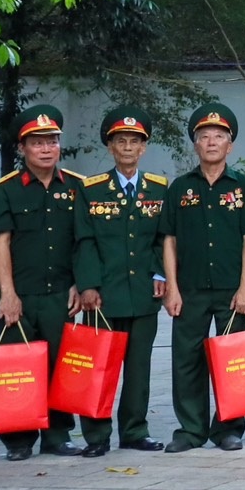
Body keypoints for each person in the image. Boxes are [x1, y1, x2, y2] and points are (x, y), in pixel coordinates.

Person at [0, 104, 87, 461]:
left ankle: (58, 435)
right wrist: (6, 294)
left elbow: (82, 242)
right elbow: (0, 244)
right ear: (22, 148)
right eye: (37, 142)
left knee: (61, 366)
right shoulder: (6, 190)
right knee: (16, 366)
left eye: (52, 141)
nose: (46, 149)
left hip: (61, 293)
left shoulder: (75, 186)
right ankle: (18, 438)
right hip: (21, 295)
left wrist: (79, 283)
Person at [160, 102, 245, 452]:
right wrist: (171, 287)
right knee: (186, 360)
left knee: (235, 360)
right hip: (188, 289)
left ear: (229, 145)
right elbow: (169, 240)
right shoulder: (179, 189)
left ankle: (229, 428)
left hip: (231, 290)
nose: (211, 142)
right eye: (204, 136)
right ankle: (190, 430)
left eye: (219, 136)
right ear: (195, 144)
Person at [72, 108, 172, 453]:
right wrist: (88, 285)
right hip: (103, 295)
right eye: (121, 141)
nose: (128, 147)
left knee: (139, 368)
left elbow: (164, 238)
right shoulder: (91, 190)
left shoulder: (159, 189)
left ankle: (134, 431)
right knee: (98, 366)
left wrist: (161, 272)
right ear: (110, 147)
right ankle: (97, 436)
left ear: (143, 148)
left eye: (135, 141)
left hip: (144, 292)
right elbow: (84, 241)